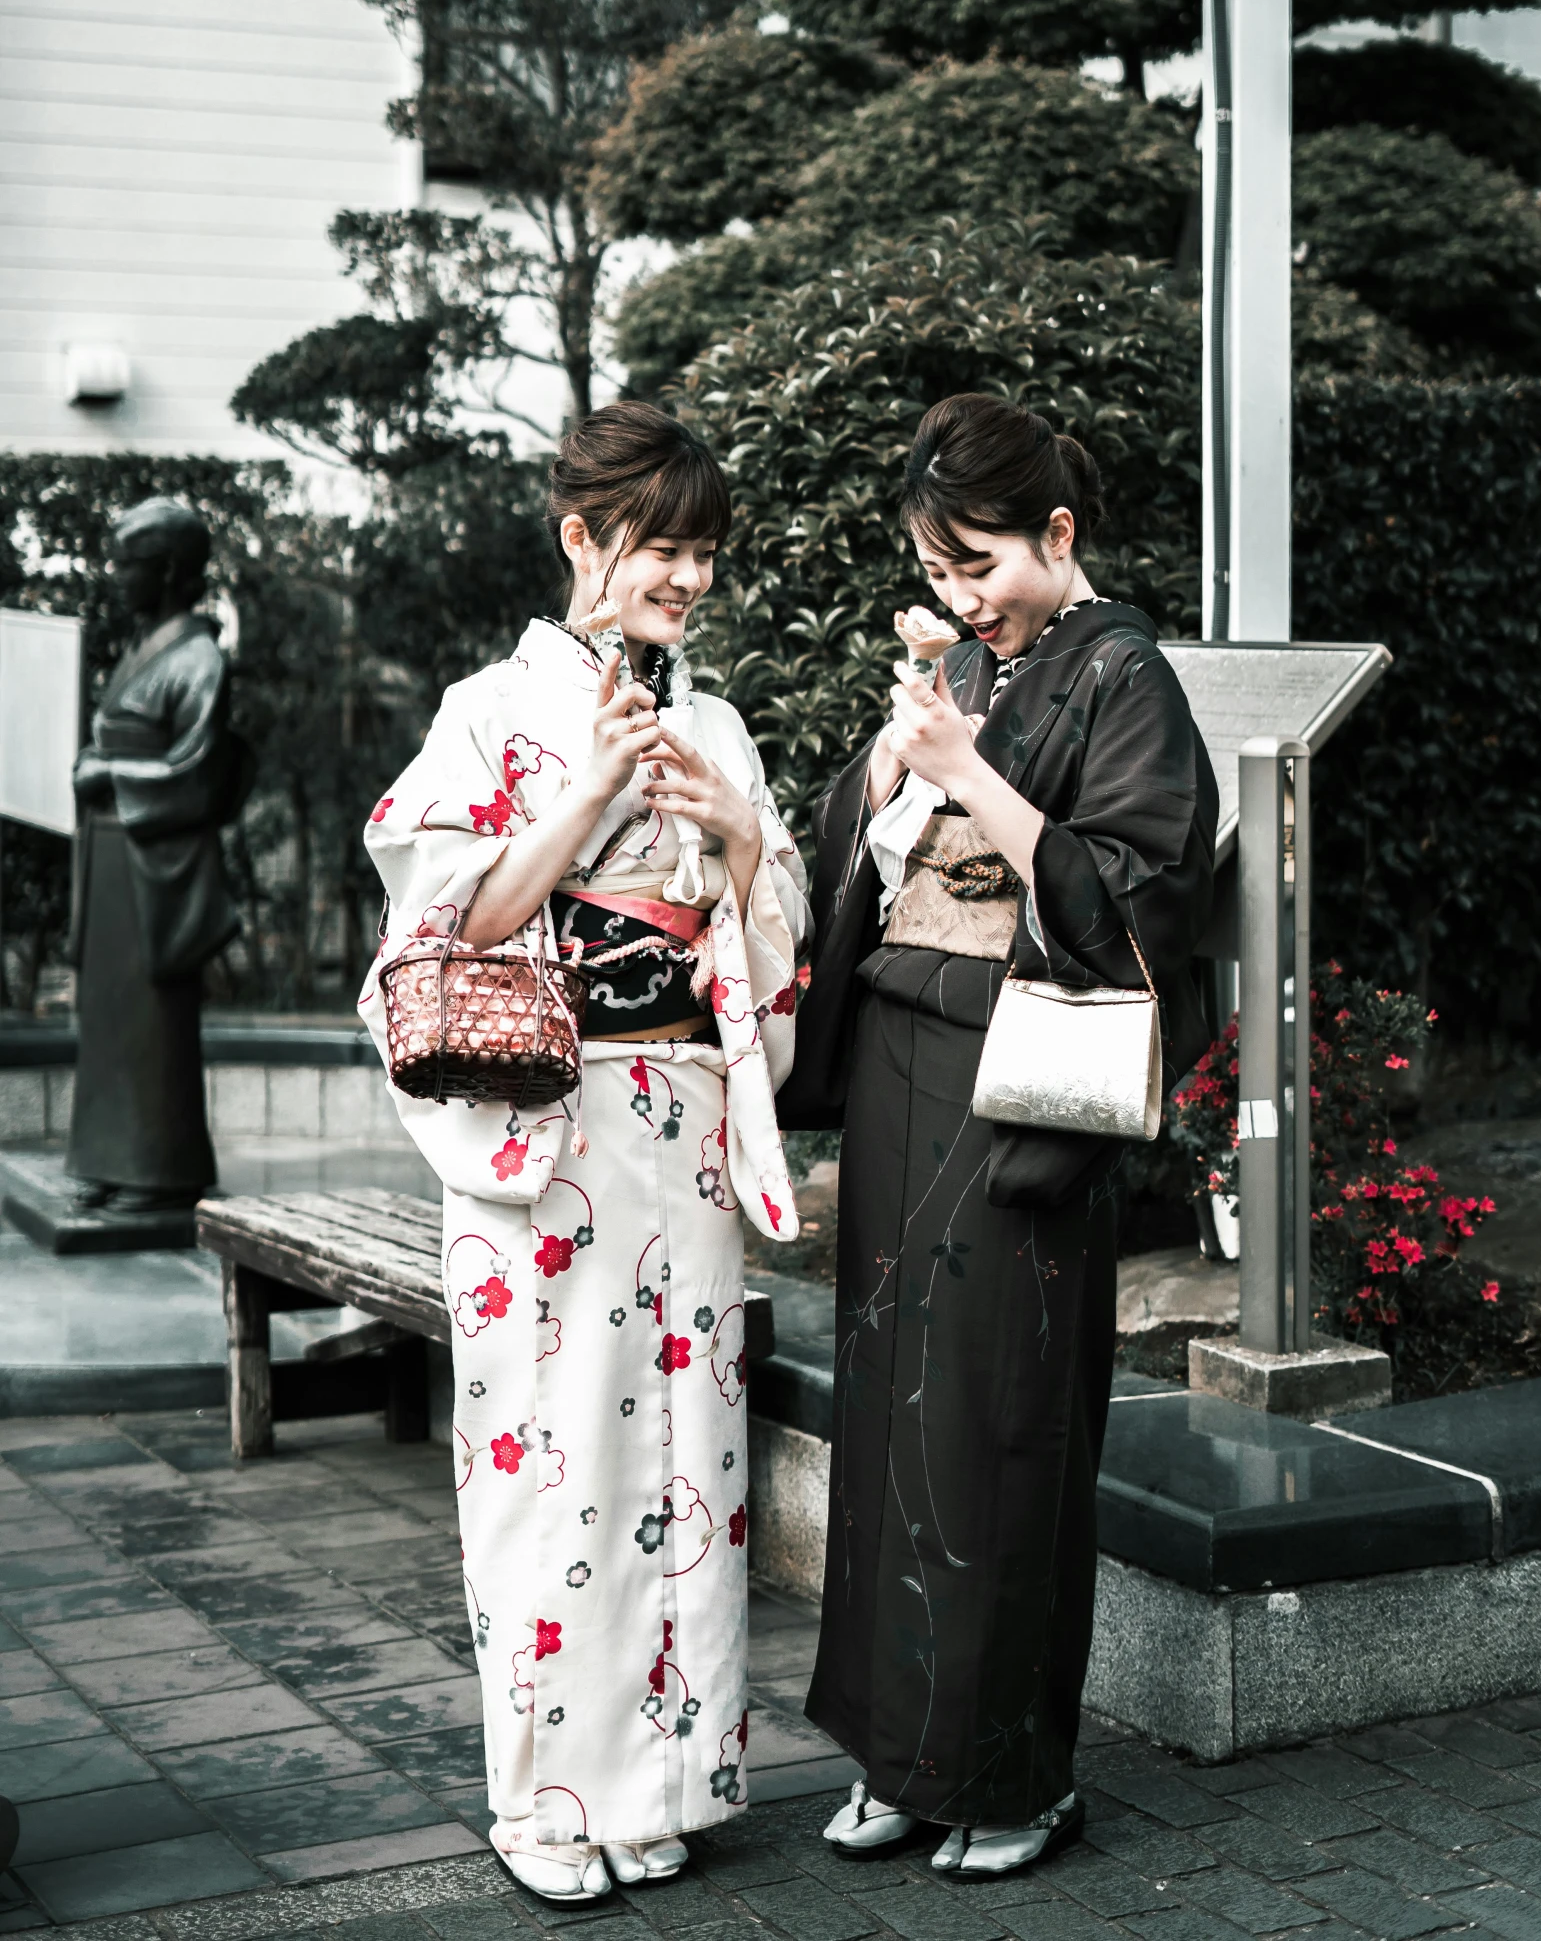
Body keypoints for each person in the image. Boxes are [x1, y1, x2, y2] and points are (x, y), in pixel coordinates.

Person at [359, 403, 808, 1902]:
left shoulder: (718, 718)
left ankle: (657, 1779)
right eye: (656, 545)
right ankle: (543, 1803)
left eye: (699, 551)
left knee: (686, 1454)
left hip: (679, 1128)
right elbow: (443, 932)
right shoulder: (488, 710)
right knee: (552, 1467)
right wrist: (583, 796)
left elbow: (768, 923)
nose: (683, 576)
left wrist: (740, 840)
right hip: (544, 1138)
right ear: (580, 538)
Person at [789, 395, 1216, 1878]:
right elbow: (855, 829)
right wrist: (893, 774)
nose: (962, 595)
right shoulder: (969, 663)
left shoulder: (1123, 674)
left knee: (999, 1417)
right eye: (938, 566)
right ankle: (898, 1755)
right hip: (908, 1042)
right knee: (886, 1399)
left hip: (1024, 1071)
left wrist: (968, 774)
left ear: (1055, 532)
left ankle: (1013, 1774)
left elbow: (1140, 891)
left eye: (980, 562)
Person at [67, 499, 249, 1213]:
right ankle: (113, 1160)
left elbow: (198, 773)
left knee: (152, 1022)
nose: (117, 579)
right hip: (115, 857)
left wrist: (111, 775)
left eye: (129, 564)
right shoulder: (144, 653)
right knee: (111, 1016)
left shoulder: (199, 658)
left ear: (170, 571)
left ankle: (162, 1168)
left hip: (159, 863)